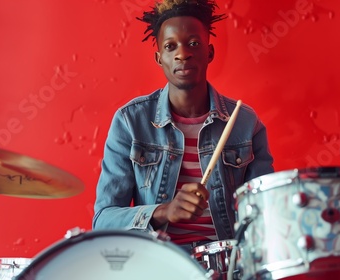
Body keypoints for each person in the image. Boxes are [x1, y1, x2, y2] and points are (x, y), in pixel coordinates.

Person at [92, 0, 274, 249]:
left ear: (209, 53)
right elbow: (103, 221)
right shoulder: (130, 122)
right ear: (159, 58)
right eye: (170, 46)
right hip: (159, 264)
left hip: (228, 265)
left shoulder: (244, 122)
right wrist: (164, 211)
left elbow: (265, 211)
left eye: (193, 43)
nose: (182, 53)